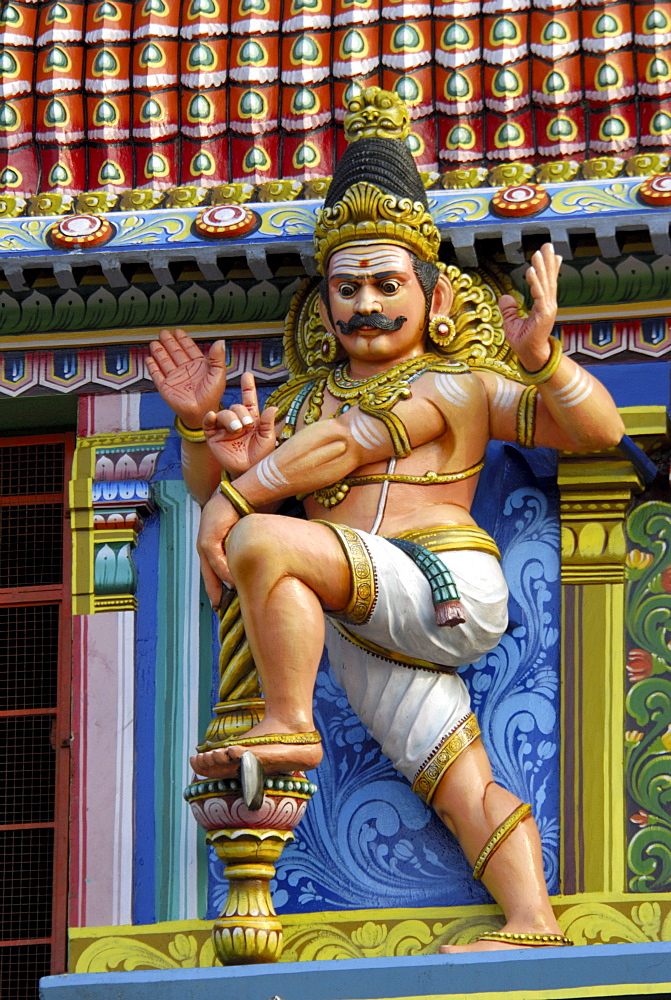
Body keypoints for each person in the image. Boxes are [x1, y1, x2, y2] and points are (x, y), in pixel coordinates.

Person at [147, 88, 625, 952]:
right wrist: (202, 434)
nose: (366, 303)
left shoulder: (458, 384)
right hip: (371, 619)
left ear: (434, 296)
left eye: (386, 284)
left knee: (261, 540)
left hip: (443, 582)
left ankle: (287, 722)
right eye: (346, 288)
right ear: (321, 307)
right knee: (451, 771)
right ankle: (530, 920)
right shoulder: (305, 398)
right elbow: (230, 473)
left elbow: (598, 432)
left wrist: (544, 358)